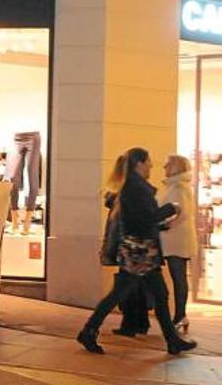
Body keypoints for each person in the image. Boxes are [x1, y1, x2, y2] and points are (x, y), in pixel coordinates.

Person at [76, 147, 196, 355]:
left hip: (138, 249)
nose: (152, 166)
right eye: (148, 162)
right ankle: (89, 330)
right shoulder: (136, 188)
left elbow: (139, 219)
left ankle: (171, 340)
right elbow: (147, 217)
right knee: (141, 294)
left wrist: (159, 226)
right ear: (139, 164)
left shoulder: (133, 186)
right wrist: (171, 209)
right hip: (140, 251)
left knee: (154, 294)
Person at [103, 156, 150, 337]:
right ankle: (139, 323)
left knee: (127, 288)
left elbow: (120, 225)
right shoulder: (129, 191)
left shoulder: (121, 192)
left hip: (129, 247)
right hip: (134, 246)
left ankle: (130, 324)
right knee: (137, 286)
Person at [159, 155, 197, 334]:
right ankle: (179, 315)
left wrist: (165, 225)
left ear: (176, 167)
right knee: (176, 277)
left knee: (178, 277)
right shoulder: (172, 186)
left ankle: (180, 315)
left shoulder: (180, 188)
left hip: (177, 239)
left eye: (169, 164)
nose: (165, 166)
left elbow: (181, 213)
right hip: (171, 238)